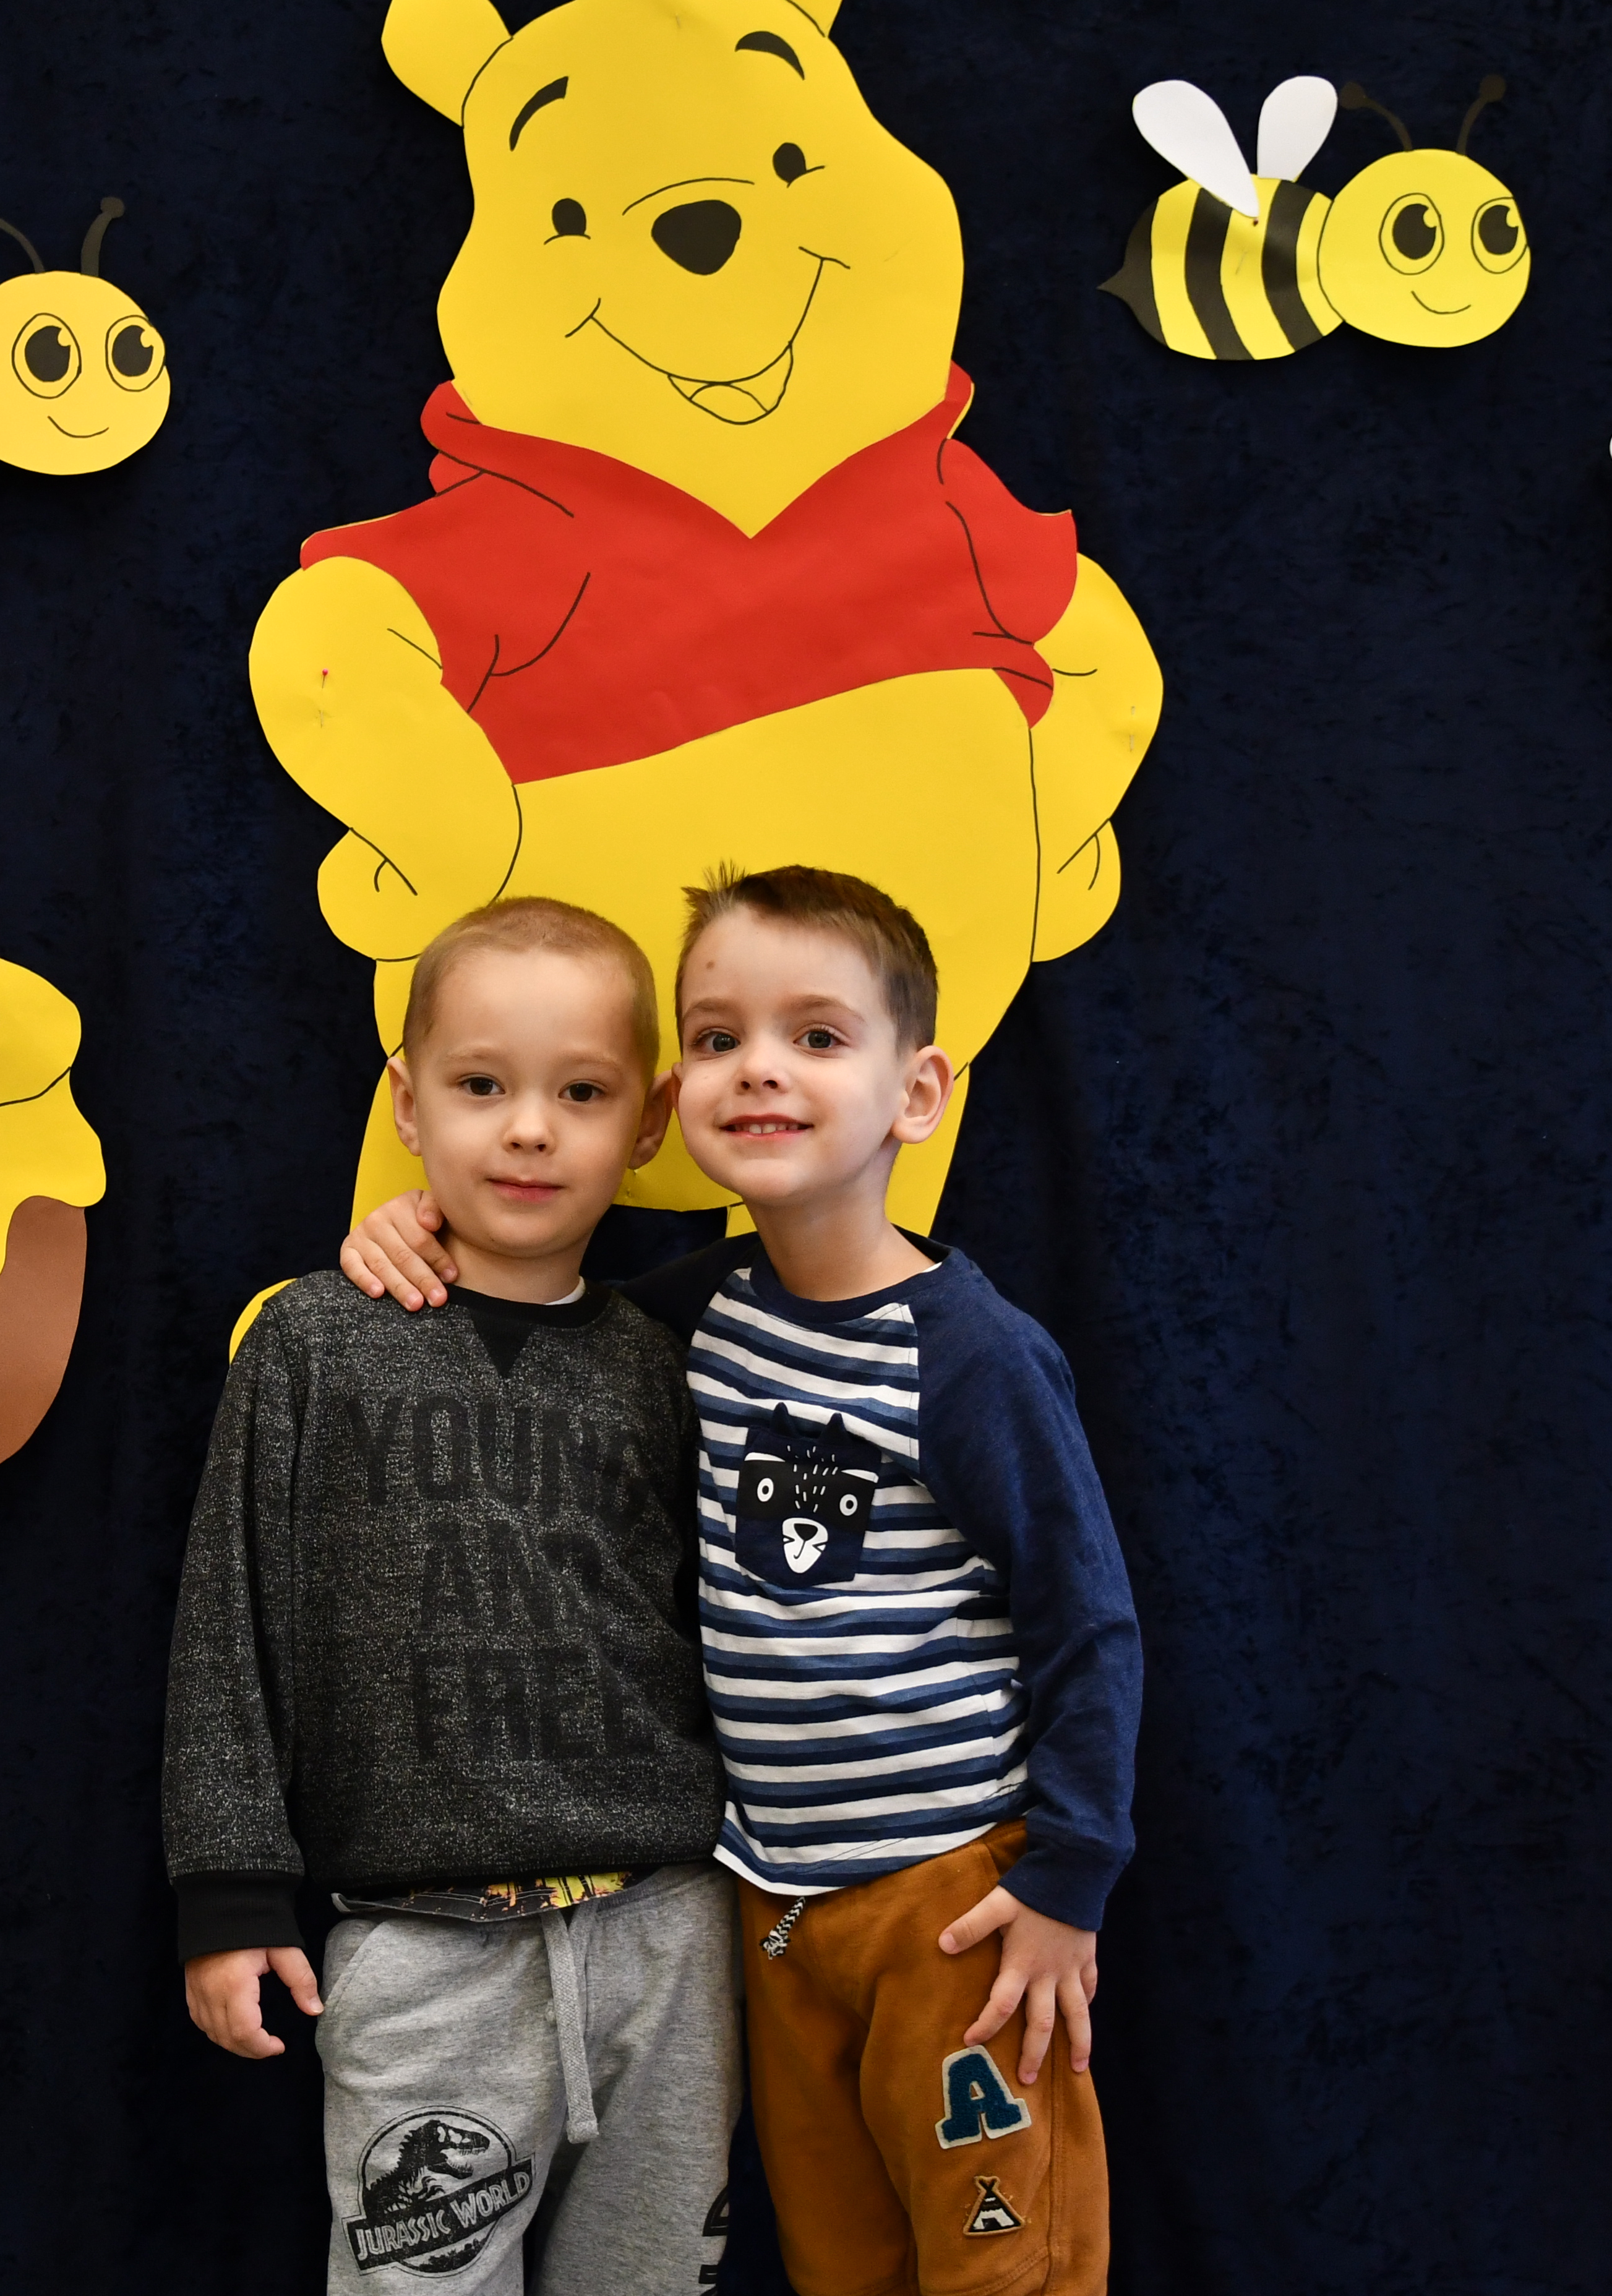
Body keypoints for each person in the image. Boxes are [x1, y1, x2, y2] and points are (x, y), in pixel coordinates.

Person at [343, 865, 1141, 2295]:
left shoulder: (969, 1355)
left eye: (816, 1035)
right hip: (771, 1906)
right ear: (676, 1092)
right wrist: (417, 1233)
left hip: (951, 1897)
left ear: (917, 1091)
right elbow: (531, 1303)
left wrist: (1069, 1876)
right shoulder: (700, 1317)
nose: (760, 1066)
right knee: (837, 2260)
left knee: (1002, 2264)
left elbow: (1085, 1621)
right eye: (718, 1037)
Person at [163, 897, 740, 2294]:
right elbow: (230, 1623)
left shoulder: (676, 1357)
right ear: (407, 1104)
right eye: (482, 1084)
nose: (530, 1129)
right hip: (421, 1945)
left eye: (582, 1092)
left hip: (669, 1938)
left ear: (651, 1121)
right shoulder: (314, 1341)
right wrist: (229, 1893)